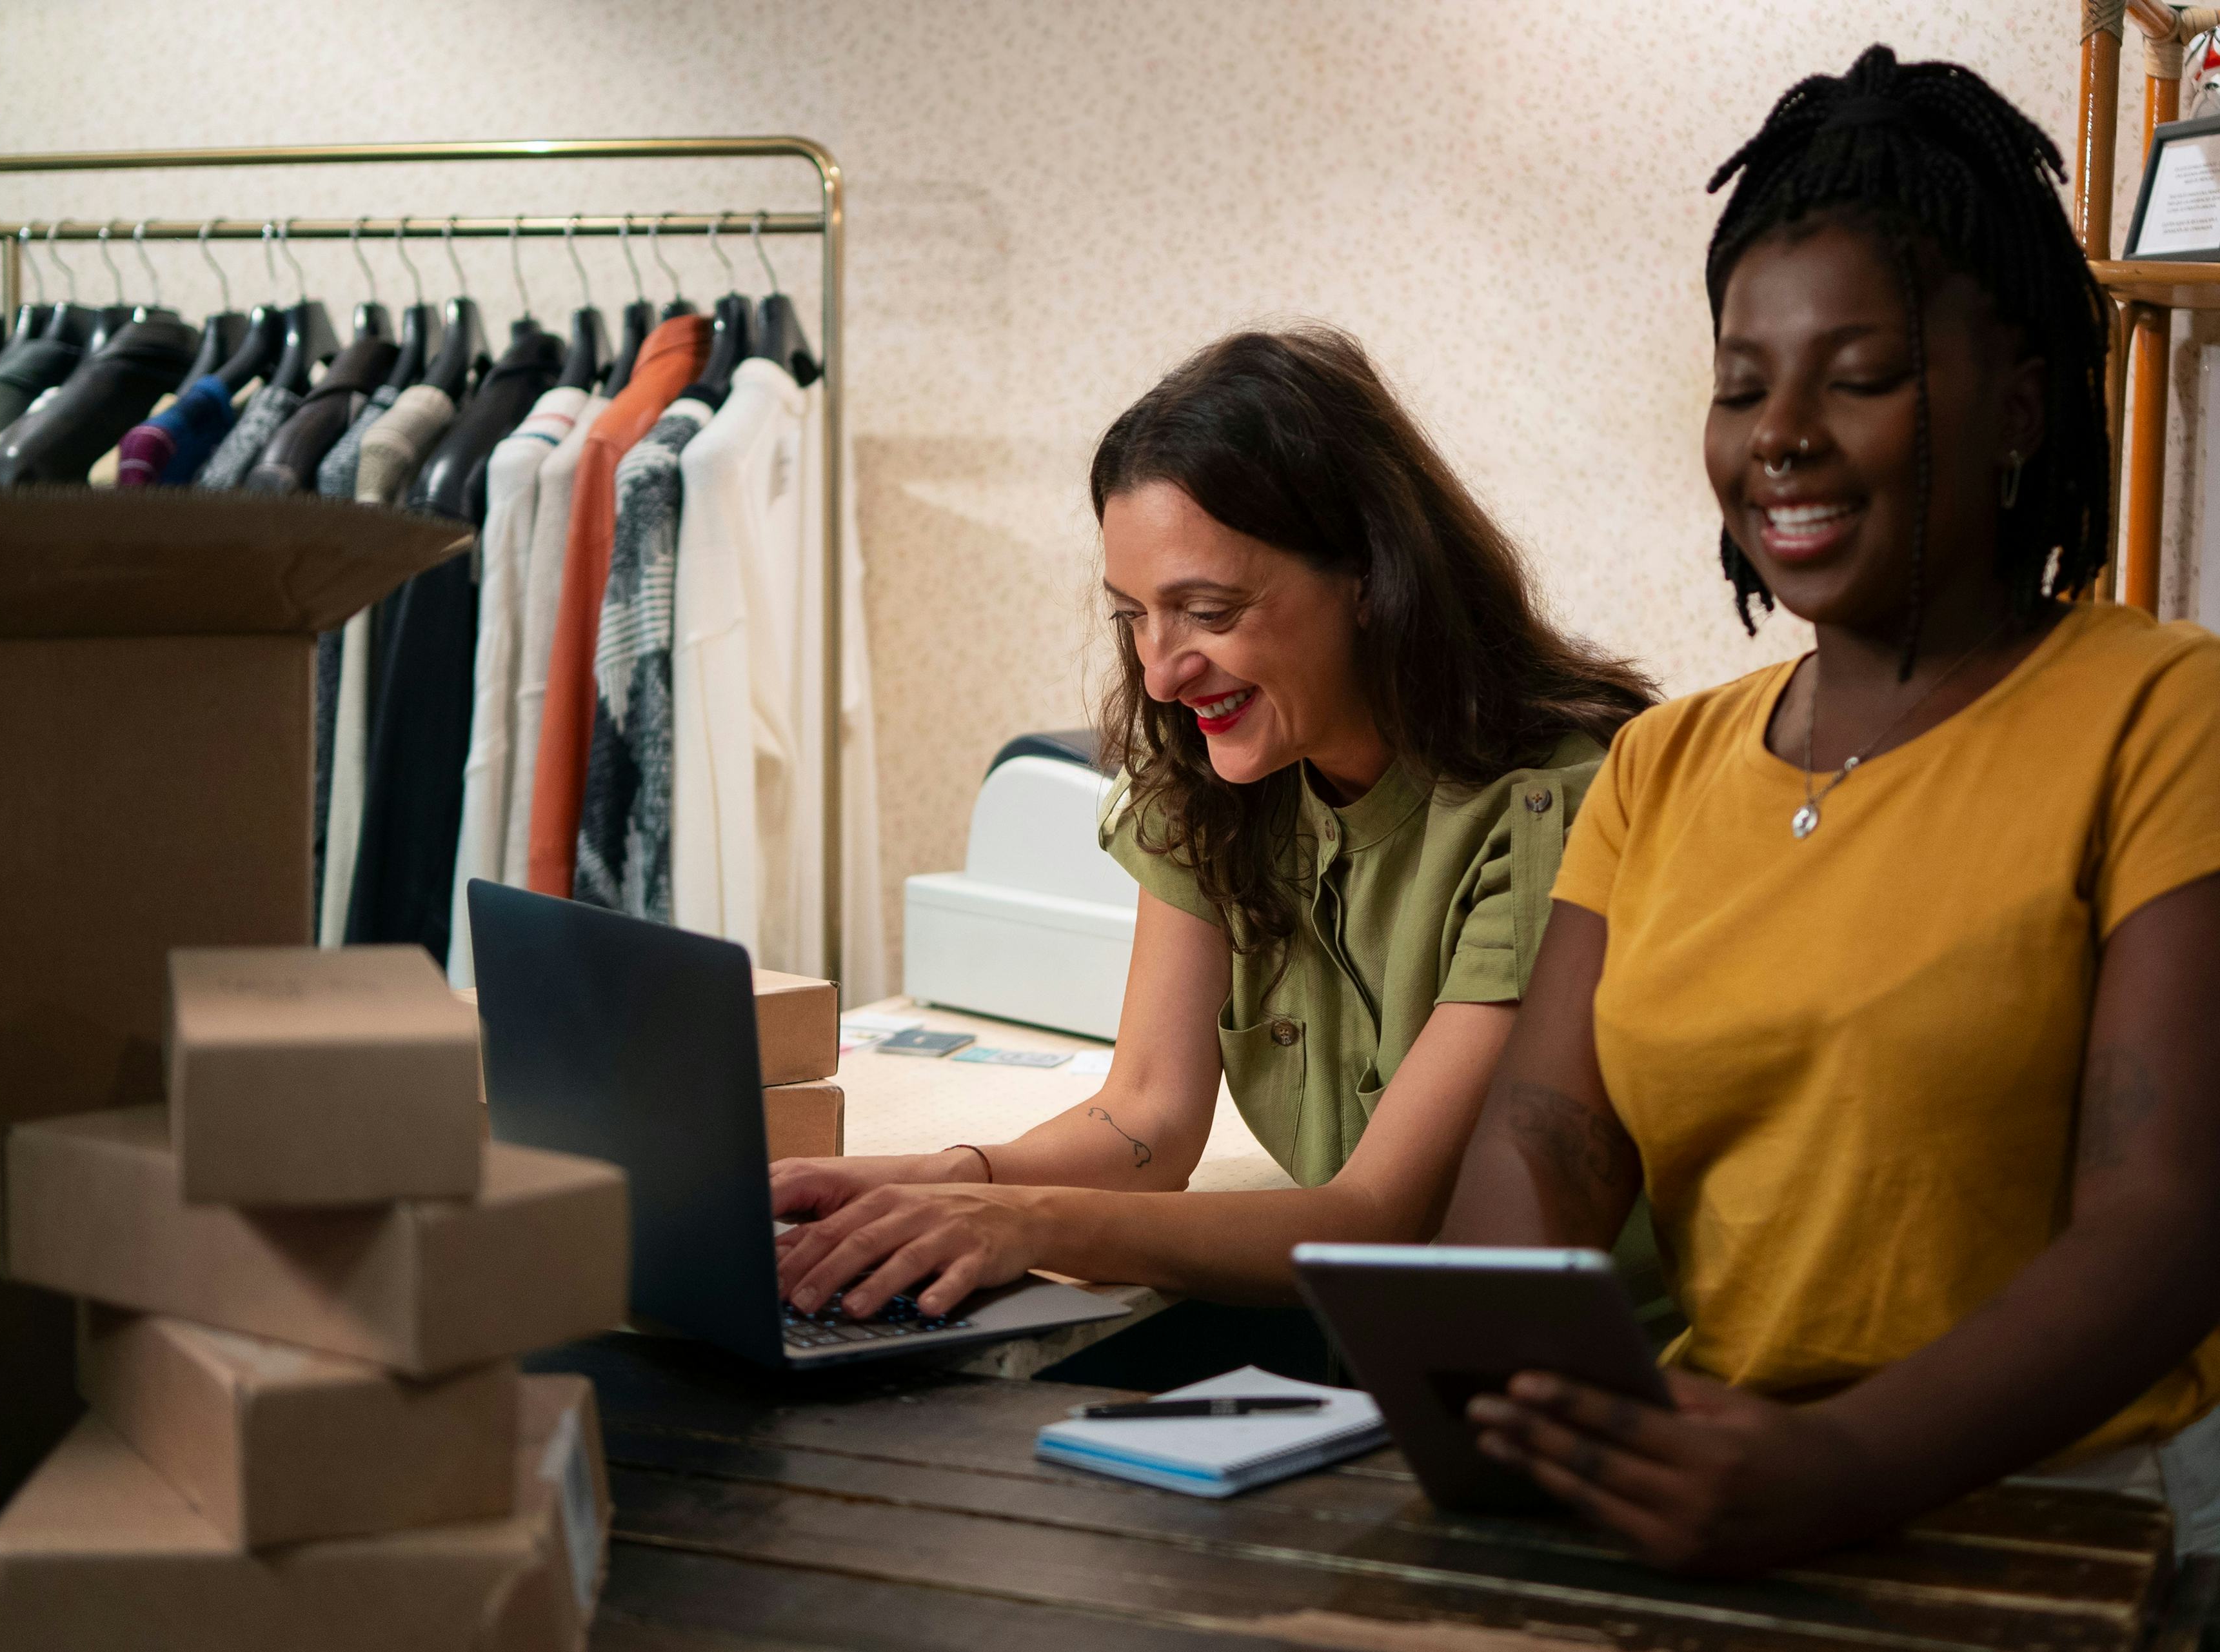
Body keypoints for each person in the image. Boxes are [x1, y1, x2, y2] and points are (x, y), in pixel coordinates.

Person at [1445, 46, 2220, 1572]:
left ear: (2018, 413)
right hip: (1734, 1504)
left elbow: (2169, 1226)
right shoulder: (1661, 768)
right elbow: (1542, 1151)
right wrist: (1512, 1397)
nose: (1779, 434)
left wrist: (1847, 1463)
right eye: (1743, 385)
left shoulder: (2165, 717)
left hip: (2085, 1525)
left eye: (1857, 378)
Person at [773, 325, 1653, 1323]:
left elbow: (1379, 1217)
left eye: (1209, 611)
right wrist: (927, 1183)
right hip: (1384, 1360)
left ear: (1369, 575)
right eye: (1133, 616)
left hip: (1576, 1391)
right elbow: (1146, 1115)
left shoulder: (1556, 809)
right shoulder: (1222, 785)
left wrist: (1018, 1220)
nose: (1159, 670)